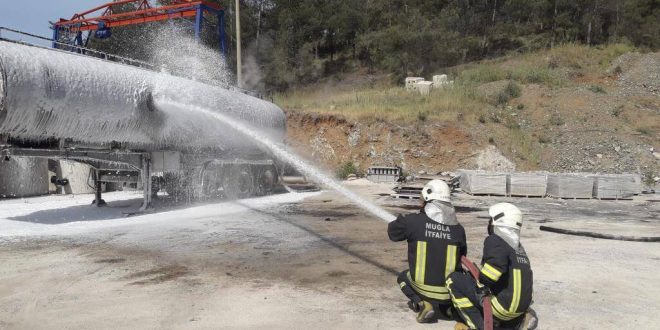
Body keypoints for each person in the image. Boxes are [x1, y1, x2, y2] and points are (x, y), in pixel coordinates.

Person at [388, 179, 467, 323]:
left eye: (422, 199)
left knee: (402, 277)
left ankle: (421, 303)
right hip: (448, 291)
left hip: (422, 288)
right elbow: (462, 257)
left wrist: (402, 221)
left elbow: (392, 234)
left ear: (427, 200)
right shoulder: (458, 230)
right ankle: (449, 309)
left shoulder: (412, 222)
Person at [446, 203, 534, 330]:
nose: (489, 223)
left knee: (454, 280)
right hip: (519, 309)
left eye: (491, 220)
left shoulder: (495, 240)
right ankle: (516, 321)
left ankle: (479, 325)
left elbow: (489, 276)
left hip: (502, 308)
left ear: (498, 222)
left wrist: (478, 278)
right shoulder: (519, 248)